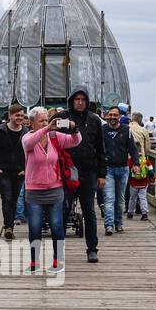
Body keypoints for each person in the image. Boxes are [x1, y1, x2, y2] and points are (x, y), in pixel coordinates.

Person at [20, 106, 76, 274]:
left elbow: (75, 141)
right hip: (34, 190)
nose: (46, 123)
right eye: (42, 121)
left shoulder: (54, 136)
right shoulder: (27, 138)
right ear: (31, 123)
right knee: (35, 227)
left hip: (55, 188)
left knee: (57, 226)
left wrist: (75, 129)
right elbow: (29, 143)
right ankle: (34, 261)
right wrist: (47, 128)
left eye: (47, 120)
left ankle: (58, 260)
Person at [59, 88, 106, 263]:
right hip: (67, 171)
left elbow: (101, 149)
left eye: (83, 99)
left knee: (89, 212)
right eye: (76, 99)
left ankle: (92, 249)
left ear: (87, 102)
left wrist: (102, 174)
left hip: (88, 172)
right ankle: (59, 250)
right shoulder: (63, 117)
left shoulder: (94, 120)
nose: (80, 102)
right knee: (63, 210)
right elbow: (52, 135)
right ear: (72, 100)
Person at [0, 104, 27, 240]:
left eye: (21, 115)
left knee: (15, 200)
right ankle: (8, 227)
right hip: (3, 171)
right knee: (7, 198)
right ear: (10, 116)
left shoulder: (26, 132)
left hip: (19, 172)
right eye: (17, 115)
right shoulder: (0, 130)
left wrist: (25, 169)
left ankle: (10, 226)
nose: (19, 118)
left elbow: (30, 153)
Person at [101, 105, 137, 234]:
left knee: (120, 199)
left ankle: (119, 223)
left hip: (123, 168)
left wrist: (136, 163)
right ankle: (109, 225)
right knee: (109, 198)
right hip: (108, 169)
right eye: (110, 115)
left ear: (120, 116)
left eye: (115, 115)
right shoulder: (102, 130)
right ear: (106, 116)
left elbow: (132, 148)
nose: (112, 117)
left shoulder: (126, 130)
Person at [127, 137, 153, 221]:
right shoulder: (146, 160)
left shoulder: (130, 160)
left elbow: (128, 171)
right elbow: (151, 171)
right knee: (143, 198)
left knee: (132, 198)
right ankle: (144, 213)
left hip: (133, 183)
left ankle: (130, 213)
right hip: (143, 182)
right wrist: (152, 180)